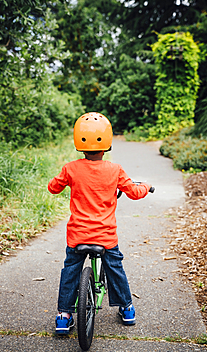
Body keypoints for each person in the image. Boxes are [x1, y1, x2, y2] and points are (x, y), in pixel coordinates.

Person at [48, 112, 151, 334]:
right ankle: (127, 308)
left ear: (79, 142)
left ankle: (64, 316)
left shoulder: (70, 169)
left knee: (70, 270)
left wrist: (60, 181)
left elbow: (53, 187)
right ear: (107, 144)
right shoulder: (115, 170)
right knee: (115, 267)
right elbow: (133, 192)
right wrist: (146, 186)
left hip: (78, 237)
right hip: (105, 237)